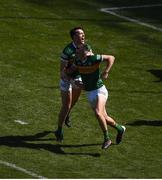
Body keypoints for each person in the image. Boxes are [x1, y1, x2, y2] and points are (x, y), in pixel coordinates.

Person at [70, 44, 126, 149]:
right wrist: (75, 81)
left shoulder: (93, 58)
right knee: (104, 117)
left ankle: (107, 138)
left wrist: (106, 71)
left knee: (98, 112)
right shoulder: (77, 61)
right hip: (89, 92)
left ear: (85, 51)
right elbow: (72, 72)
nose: (76, 51)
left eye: (79, 49)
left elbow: (111, 57)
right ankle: (120, 129)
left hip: (99, 89)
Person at [55, 27, 93, 141]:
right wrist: (71, 80)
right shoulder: (67, 51)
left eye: (83, 34)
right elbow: (62, 72)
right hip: (67, 79)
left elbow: (90, 60)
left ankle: (67, 115)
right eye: (80, 34)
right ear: (74, 37)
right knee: (66, 105)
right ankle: (59, 129)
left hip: (78, 77)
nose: (83, 36)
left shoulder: (87, 47)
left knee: (73, 102)